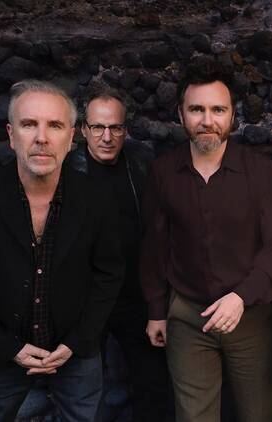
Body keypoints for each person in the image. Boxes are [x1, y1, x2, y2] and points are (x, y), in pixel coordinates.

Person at [0, 79, 124, 421]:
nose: (42, 137)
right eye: (29, 124)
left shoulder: (97, 198)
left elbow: (109, 274)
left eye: (54, 125)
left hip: (76, 352)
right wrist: (7, 347)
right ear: (11, 135)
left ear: (71, 138)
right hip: (0, 354)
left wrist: (78, 342)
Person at [139, 57, 272, 422]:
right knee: (193, 417)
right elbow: (154, 247)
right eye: (197, 109)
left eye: (217, 109)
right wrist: (156, 311)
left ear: (232, 115)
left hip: (249, 315)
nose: (207, 120)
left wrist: (241, 297)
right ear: (181, 115)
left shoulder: (260, 172)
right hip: (186, 317)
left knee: (258, 415)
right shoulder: (163, 172)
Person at [69, 86, 170, 421]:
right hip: (85, 301)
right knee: (83, 391)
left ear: (125, 130)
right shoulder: (64, 172)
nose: (107, 137)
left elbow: (159, 231)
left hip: (134, 297)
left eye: (115, 128)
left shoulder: (140, 164)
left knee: (153, 386)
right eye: (98, 127)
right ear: (83, 130)